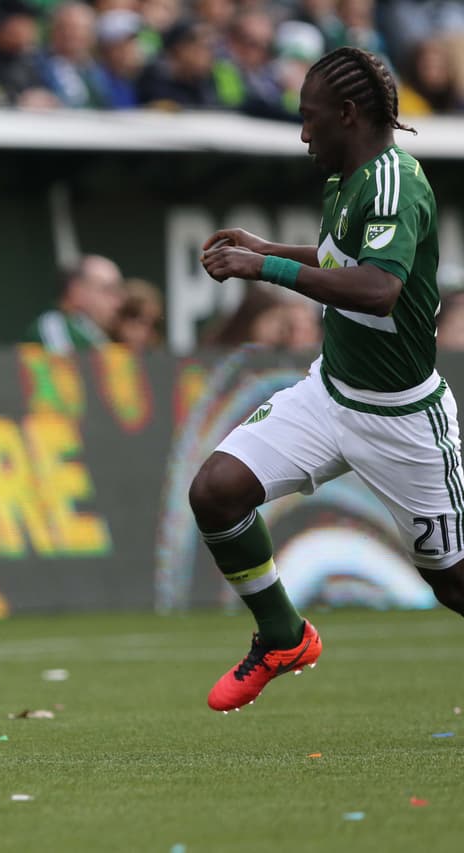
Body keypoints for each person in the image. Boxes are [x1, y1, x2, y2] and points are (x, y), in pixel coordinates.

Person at [193, 46, 464, 713]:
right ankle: (284, 635)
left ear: (348, 114)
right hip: (329, 393)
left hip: (403, 418)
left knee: (454, 583)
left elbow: (376, 289)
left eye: (311, 119)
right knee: (217, 491)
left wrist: (263, 273)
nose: (303, 133)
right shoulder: (346, 177)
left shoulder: (397, 180)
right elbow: (340, 259)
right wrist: (268, 248)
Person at [23, 254, 125, 354]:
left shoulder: (94, 333)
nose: (118, 301)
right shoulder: (54, 326)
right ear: (76, 291)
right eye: (109, 289)